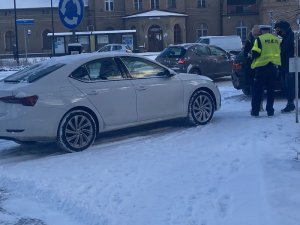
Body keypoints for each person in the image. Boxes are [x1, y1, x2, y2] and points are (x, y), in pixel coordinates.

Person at [250, 26, 281, 117]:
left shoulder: (259, 39)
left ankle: (255, 111)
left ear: (261, 31)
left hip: (261, 68)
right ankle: (270, 111)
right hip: (273, 68)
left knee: (258, 91)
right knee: (271, 91)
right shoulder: (276, 39)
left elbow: (255, 53)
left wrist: (251, 55)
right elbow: (279, 51)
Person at [274, 20, 295, 113]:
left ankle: (290, 104)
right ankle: (290, 103)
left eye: (278, 29)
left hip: (289, 65)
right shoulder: (287, 36)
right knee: (286, 85)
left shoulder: (291, 37)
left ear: (284, 28)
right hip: (285, 65)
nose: (278, 31)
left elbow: (285, 50)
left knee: (289, 85)